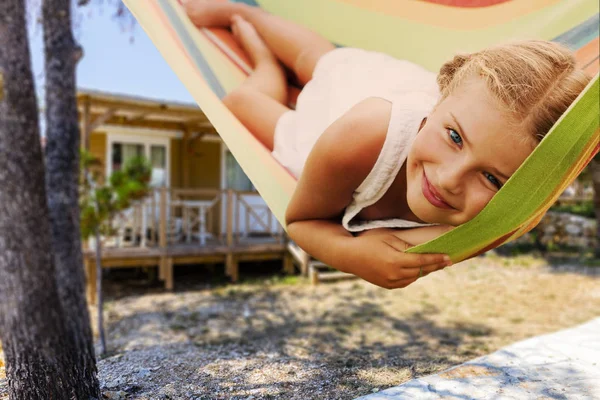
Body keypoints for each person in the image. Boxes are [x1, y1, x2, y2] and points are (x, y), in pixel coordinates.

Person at [183, 1, 590, 289]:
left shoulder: (498, 218)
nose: (449, 180)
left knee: (320, 62)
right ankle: (251, 25)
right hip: (341, 119)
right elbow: (302, 221)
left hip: (401, 114)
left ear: (521, 194)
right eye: (453, 138)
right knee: (313, 63)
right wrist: (349, 254)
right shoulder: (364, 133)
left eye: (491, 178)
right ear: (439, 99)